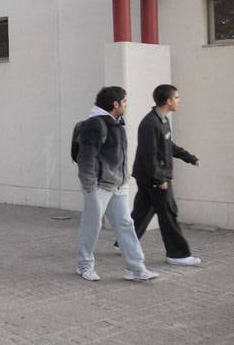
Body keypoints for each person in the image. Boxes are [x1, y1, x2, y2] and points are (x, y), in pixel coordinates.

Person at [75, 86, 158, 281]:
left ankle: (136, 268)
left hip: (118, 184)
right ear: (115, 104)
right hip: (99, 186)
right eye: (125, 102)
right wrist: (90, 188)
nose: (126, 105)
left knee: (126, 224)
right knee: (91, 226)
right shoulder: (94, 125)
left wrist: (123, 180)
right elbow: (85, 159)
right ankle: (84, 266)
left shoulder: (117, 123)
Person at [130, 84, 201, 266]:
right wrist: (159, 179)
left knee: (143, 212)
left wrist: (188, 157)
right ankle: (177, 254)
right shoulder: (150, 123)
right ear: (168, 101)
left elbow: (168, 145)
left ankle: (125, 243)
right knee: (168, 213)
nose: (179, 101)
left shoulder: (162, 120)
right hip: (154, 177)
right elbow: (149, 154)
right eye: (176, 98)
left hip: (152, 176)